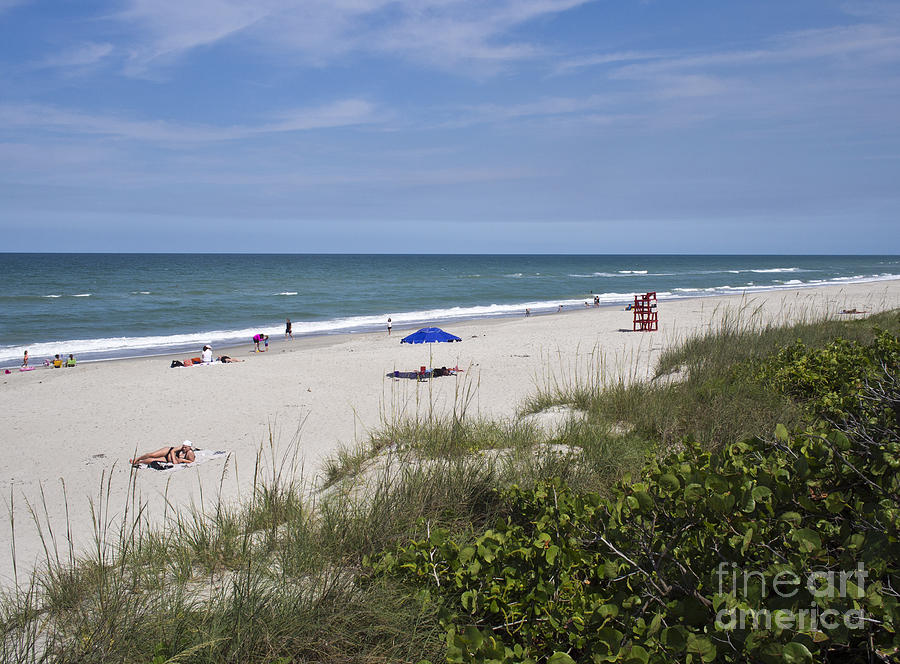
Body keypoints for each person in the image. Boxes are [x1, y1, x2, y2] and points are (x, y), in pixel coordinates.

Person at [130, 442, 195, 467]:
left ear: (189, 447)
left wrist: (182, 460)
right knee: (152, 454)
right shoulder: (181, 447)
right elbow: (172, 451)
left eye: (185, 447)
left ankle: (140, 462)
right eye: (183, 446)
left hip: (167, 459)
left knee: (153, 460)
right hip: (167, 451)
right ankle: (137, 459)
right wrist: (175, 460)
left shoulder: (190, 453)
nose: (183, 448)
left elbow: (191, 461)